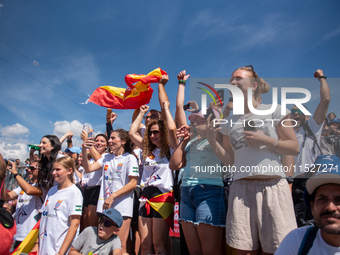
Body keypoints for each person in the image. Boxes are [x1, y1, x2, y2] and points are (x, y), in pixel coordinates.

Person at [208, 65, 299, 254]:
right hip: (241, 190)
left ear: (254, 85)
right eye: (231, 79)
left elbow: (293, 146)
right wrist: (212, 140)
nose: (233, 82)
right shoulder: (228, 122)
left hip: (273, 186)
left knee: (277, 249)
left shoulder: (275, 111)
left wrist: (268, 141)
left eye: (238, 78)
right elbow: (230, 160)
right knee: (242, 250)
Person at [169, 70, 226, 255]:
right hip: (186, 193)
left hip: (209, 191)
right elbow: (174, 165)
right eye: (192, 121)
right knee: (193, 251)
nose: (193, 123)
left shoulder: (217, 134)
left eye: (198, 120)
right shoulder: (191, 140)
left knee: (210, 251)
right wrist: (184, 140)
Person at [129, 103, 177, 255]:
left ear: (163, 132)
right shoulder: (147, 150)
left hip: (162, 197)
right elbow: (131, 133)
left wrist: (166, 109)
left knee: (158, 244)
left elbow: (171, 129)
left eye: (156, 132)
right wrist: (141, 113)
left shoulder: (170, 148)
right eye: (149, 133)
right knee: (145, 244)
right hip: (145, 198)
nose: (152, 136)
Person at [83, 129, 138, 254]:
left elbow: (133, 183)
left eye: (113, 138)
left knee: (120, 246)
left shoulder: (130, 158)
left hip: (122, 207)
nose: (110, 141)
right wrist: (84, 150)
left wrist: (113, 196)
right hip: (105, 206)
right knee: (104, 244)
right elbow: (88, 168)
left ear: (123, 141)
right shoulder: (106, 157)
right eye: (110, 138)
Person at [275, 155, 340, 254]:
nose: (330, 207)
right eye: (322, 199)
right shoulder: (298, 240)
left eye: (339, 200)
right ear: (312, 207)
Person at [291, 70, 331, 226]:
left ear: (306, 116)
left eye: (298, 111)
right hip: (291, 183)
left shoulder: (313, 127)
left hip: (311, 181)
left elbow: (326, 99)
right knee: (295, 223)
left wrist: (321, 78)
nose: (294, 114)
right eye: (292, 111)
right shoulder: (285, 132)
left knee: (313, 222)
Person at [38, 156, 83, 255]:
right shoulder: (51, 190)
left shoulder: (74, 193)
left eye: (58, 169)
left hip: (58, 249)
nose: (54, 172)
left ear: (69, 170)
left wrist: (61, 252)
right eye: (53, 169)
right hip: (44, 247)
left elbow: (74, 224)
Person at [1, 160, 44, 249]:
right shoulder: (23, 186)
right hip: (17, 235)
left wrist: (16, 173)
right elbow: (6, 197)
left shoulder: (43, 186)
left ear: (40, 171)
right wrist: (2, 179)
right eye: (28, 168)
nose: (28, 170)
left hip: (31, 236)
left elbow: (29, 190)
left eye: (32, 168)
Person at [80, 133, 108, 229]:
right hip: (87, 190)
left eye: (102, 141)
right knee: (85, 225)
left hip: (97, 190)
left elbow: (100, 161)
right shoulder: (91, 158)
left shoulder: (107, 156)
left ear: (107, 145)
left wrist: (89, 144)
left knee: (92, 226)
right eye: (97, 141)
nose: (99, 143)